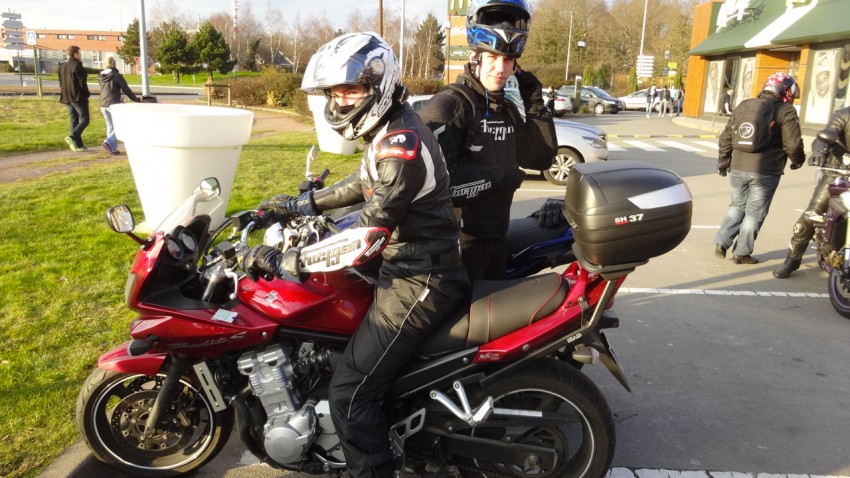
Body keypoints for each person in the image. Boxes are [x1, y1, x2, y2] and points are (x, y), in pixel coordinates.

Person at [243, 32, 469, 478]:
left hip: (419, 281)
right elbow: (364, 184)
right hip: (409, 270)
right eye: (334, 93)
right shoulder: (389, 130)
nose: (341, 102)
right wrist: (303, 204)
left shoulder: (401, 143)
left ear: (377, 86)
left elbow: (369, 232)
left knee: (350, 392)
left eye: (351, 90)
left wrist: (293, 262)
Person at [418, 0, 557, 280]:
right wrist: (497, 176)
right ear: (474, 56)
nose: (500, 69)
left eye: (507, 60)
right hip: (456, 250)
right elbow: (431, 188)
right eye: (492, 58)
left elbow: (540, 159)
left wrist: (535, 106)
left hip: (497, 241)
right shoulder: (449, 107)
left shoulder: (503, 108)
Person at [714, 72, 805, 264]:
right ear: (786, 91)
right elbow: (793, 144)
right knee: (755, 212)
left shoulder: (744, 105)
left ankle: (721, 243)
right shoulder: (786, 110)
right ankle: (741, 253)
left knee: (736, 205)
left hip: (738, 166)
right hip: (766, 170)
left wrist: (723, 161)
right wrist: (798, 160)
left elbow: (726, 137)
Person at [774, 105, 850, 278]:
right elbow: (825, 135)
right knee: (811, 215)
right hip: (838, 171)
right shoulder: (844, 115)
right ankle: (792, 260)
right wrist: (819, 151)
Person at [98, 57, 141, 155]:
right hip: (113, 103)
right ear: (114, 64)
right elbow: (126, 89)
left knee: (110, 126)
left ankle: (113, 149)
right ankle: (108, 141)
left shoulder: (101, 76)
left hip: (102, 103)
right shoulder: (116, 75)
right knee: (121, 125)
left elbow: (105, 89)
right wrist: (136, 99)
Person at [58, 45, 91, 152]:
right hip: (78, 97)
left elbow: (60, 82)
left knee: (74, 120)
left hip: (67, 97)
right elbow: (82, 83)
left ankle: (78, 145)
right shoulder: (78, 66)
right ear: (75, 54)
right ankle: (72, 137)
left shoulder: (62, 66)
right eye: (80, 53)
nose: (81, 55)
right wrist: (86, 94)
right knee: (85, 120)